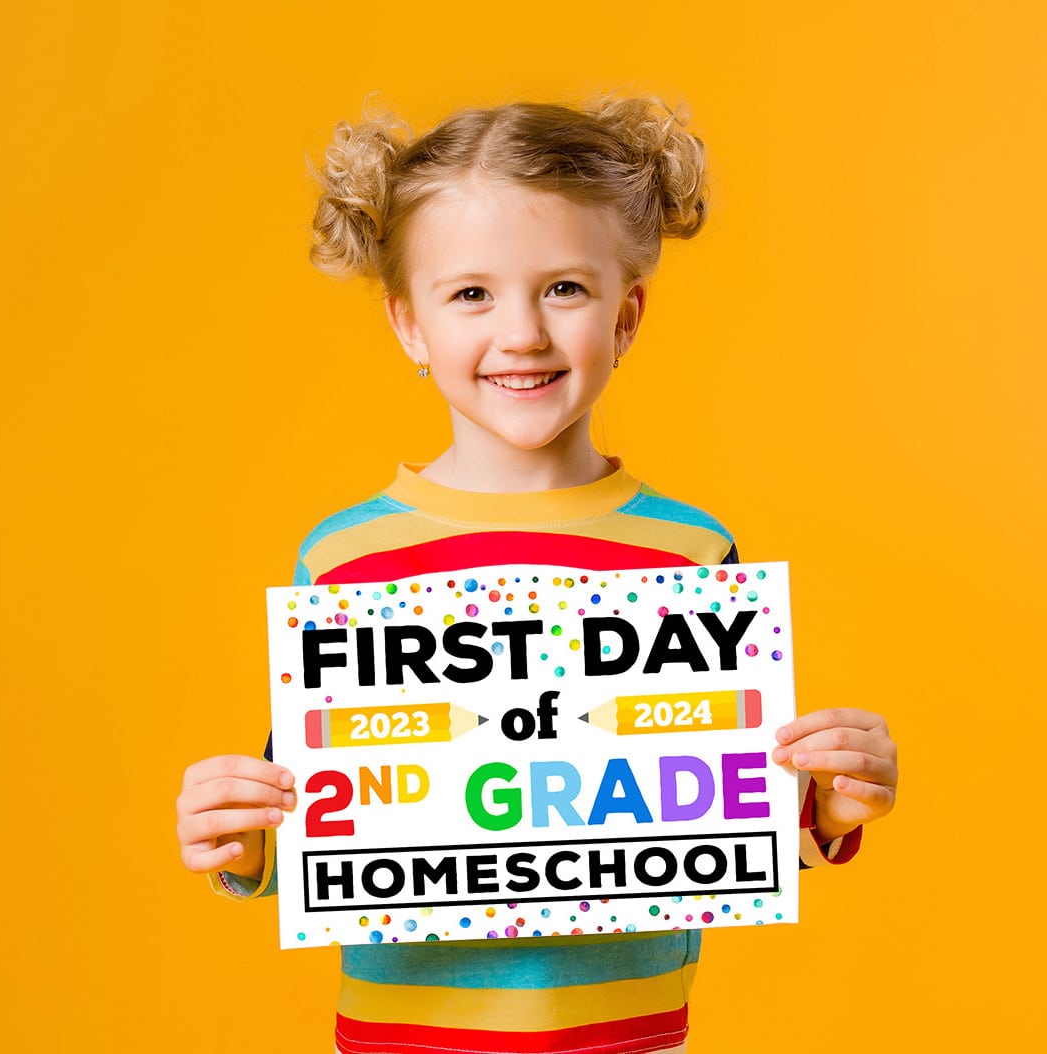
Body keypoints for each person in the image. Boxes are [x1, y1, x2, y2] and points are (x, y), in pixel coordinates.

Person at [176, 96, 898, 1054]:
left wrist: (830, 805)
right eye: (470, 294)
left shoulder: (692, 556)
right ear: (409, 327)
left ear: (626, 314)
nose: (520, 333)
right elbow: (320, 820)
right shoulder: (344, 562)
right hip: (404, 1039)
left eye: (564, 288)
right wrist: (239, 838)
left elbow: (722, 818)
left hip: (633, 1038)